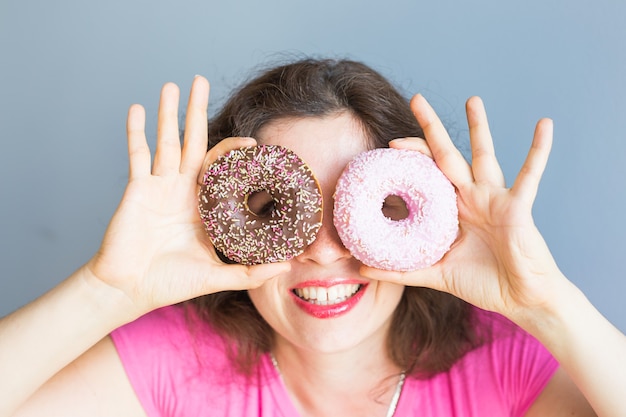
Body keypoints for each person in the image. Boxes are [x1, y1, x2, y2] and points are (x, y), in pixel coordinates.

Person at [0, 58, 624, 417]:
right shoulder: (174, 365)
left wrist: (546, 304)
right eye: (276, 210)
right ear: (224, 228)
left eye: (359, 213)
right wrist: (106, 291)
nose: (323, 249)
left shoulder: (506, 367)